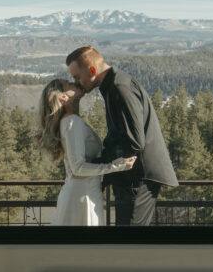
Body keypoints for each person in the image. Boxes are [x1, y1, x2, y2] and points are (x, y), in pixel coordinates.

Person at [66, 45, 178, 226]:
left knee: (129, 243)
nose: (76, 82)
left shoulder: (119, 87)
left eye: (77, 77)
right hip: (133, 177)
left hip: (136, 178)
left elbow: (134, 141)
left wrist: (99, 163)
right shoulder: (115, 85)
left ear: (92, 70)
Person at [37, 77, 136, 226]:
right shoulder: (71, 122)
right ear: (63, 97)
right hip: (82, 197)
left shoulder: (70, 121)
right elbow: (77, 168)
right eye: (69, 84)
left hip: (83, 193)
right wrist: (117, 165)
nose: (74, 83)